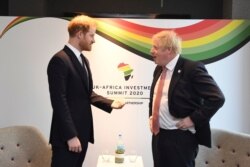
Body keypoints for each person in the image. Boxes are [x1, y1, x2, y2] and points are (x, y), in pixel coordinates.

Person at [47, 15, 125, 167]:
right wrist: (70, 136)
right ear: (79, 34)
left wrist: (110, 103)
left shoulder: (83, 60)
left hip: (81, 134)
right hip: (67, 138)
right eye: (91, 35)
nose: (94, 40)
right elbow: (58, 101)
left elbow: (87, 93)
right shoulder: (59, 60)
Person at [148, 30, 225, 167]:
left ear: (169, 50)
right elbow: (155, 97)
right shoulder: (159, 69)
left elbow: (217, 98)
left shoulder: (192, 69)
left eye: (155, 47)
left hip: (180, 139)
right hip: (158, 135)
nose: (151, 51)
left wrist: (193, 119)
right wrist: (152, 117)